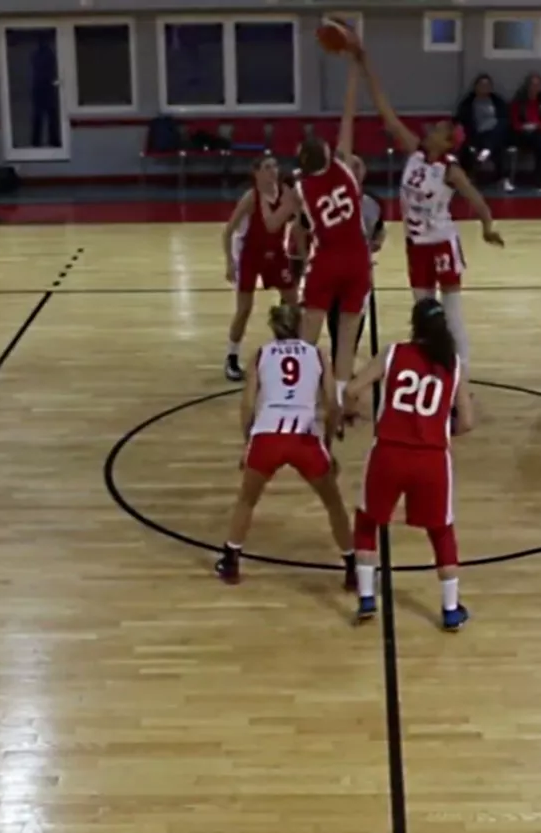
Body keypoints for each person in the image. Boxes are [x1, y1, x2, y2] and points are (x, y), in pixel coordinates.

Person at [359, 47, 504, 382]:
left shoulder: (449, 170)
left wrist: (487, 227)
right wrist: (366, 68)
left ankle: (460, 378)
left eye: (438, 128)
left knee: (451, 314)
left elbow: (478, 200)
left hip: (441, 244)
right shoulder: (415, 151)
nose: (430, 129)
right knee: (423, 313)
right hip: (416, 245)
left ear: (448, 142)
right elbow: (387, 114)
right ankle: (429, 369)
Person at [344, 298, 474, 632]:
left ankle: (368, 598)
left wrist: (350, 412)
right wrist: (442, 431)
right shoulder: (453, 364)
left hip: (388, 452)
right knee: (441, 531)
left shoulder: (393, 353)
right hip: (431, 457)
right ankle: (449, 609)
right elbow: (467, 422)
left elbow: (354, 388)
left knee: (367, 521)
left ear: (414, 325)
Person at [215, 304, 356, 587]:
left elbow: (247, 405)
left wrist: (248, 442)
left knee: (247, 500)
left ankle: (231, 559)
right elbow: (331, 405)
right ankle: (352, 566)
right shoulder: (317, 354)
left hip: (268, 433)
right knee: (333, 503)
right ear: (301, 326)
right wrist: (327, 444)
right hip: (304, 436)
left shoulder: (261, 354)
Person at [292, 52, 371, 410]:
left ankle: (299, 396)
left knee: (308, 335)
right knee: (346, 337)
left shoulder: (301, 190)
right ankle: (339, 400)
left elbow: (292, 228)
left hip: (325, 260)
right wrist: (354, 70)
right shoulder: (345, 167)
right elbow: (348, 113)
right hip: (357, 260)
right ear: (327, 154)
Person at [222, 156, 300, 381]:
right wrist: (229, 262)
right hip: (251, 256)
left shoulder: (286, 193)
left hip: (277, 254)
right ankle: (232, 357)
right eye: (267, 167)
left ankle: (292, 350)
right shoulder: (250, 197)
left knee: (293, 304)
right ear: (256, 173)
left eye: (275, 166)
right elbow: (228, 232)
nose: (273, 171)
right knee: (244, 309)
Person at [325, 155, 385, 370]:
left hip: (360, 268)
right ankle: (337, 357)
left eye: (359, 165)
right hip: (334, 265)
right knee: (334, 315)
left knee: (356, 316)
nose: (356, 170)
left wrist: (375, 244)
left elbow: (379, 232)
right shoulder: (331, 199)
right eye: (352, 166)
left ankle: (345, 359)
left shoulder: (373, 202)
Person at [454, 73, 510, 184]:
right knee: (473, 146)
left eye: (487, 85)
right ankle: (487, 151)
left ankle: (487, 152)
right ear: (476, 86)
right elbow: (462, 120)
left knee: (498, 135)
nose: (485, 88)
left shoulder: (497, 101)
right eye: (482, 85)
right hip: (476, 134)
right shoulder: (468, 102)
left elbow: (504, 118)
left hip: (495, 133)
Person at [508, 73, 541, 192]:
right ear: (527, 86)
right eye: (533, 85)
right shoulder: (519, 101)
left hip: (539, 133)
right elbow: (514, 122)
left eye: (538, 85)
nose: (535, 88)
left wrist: (537, 126)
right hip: (522, 135)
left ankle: (538, 177)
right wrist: (525, 127)